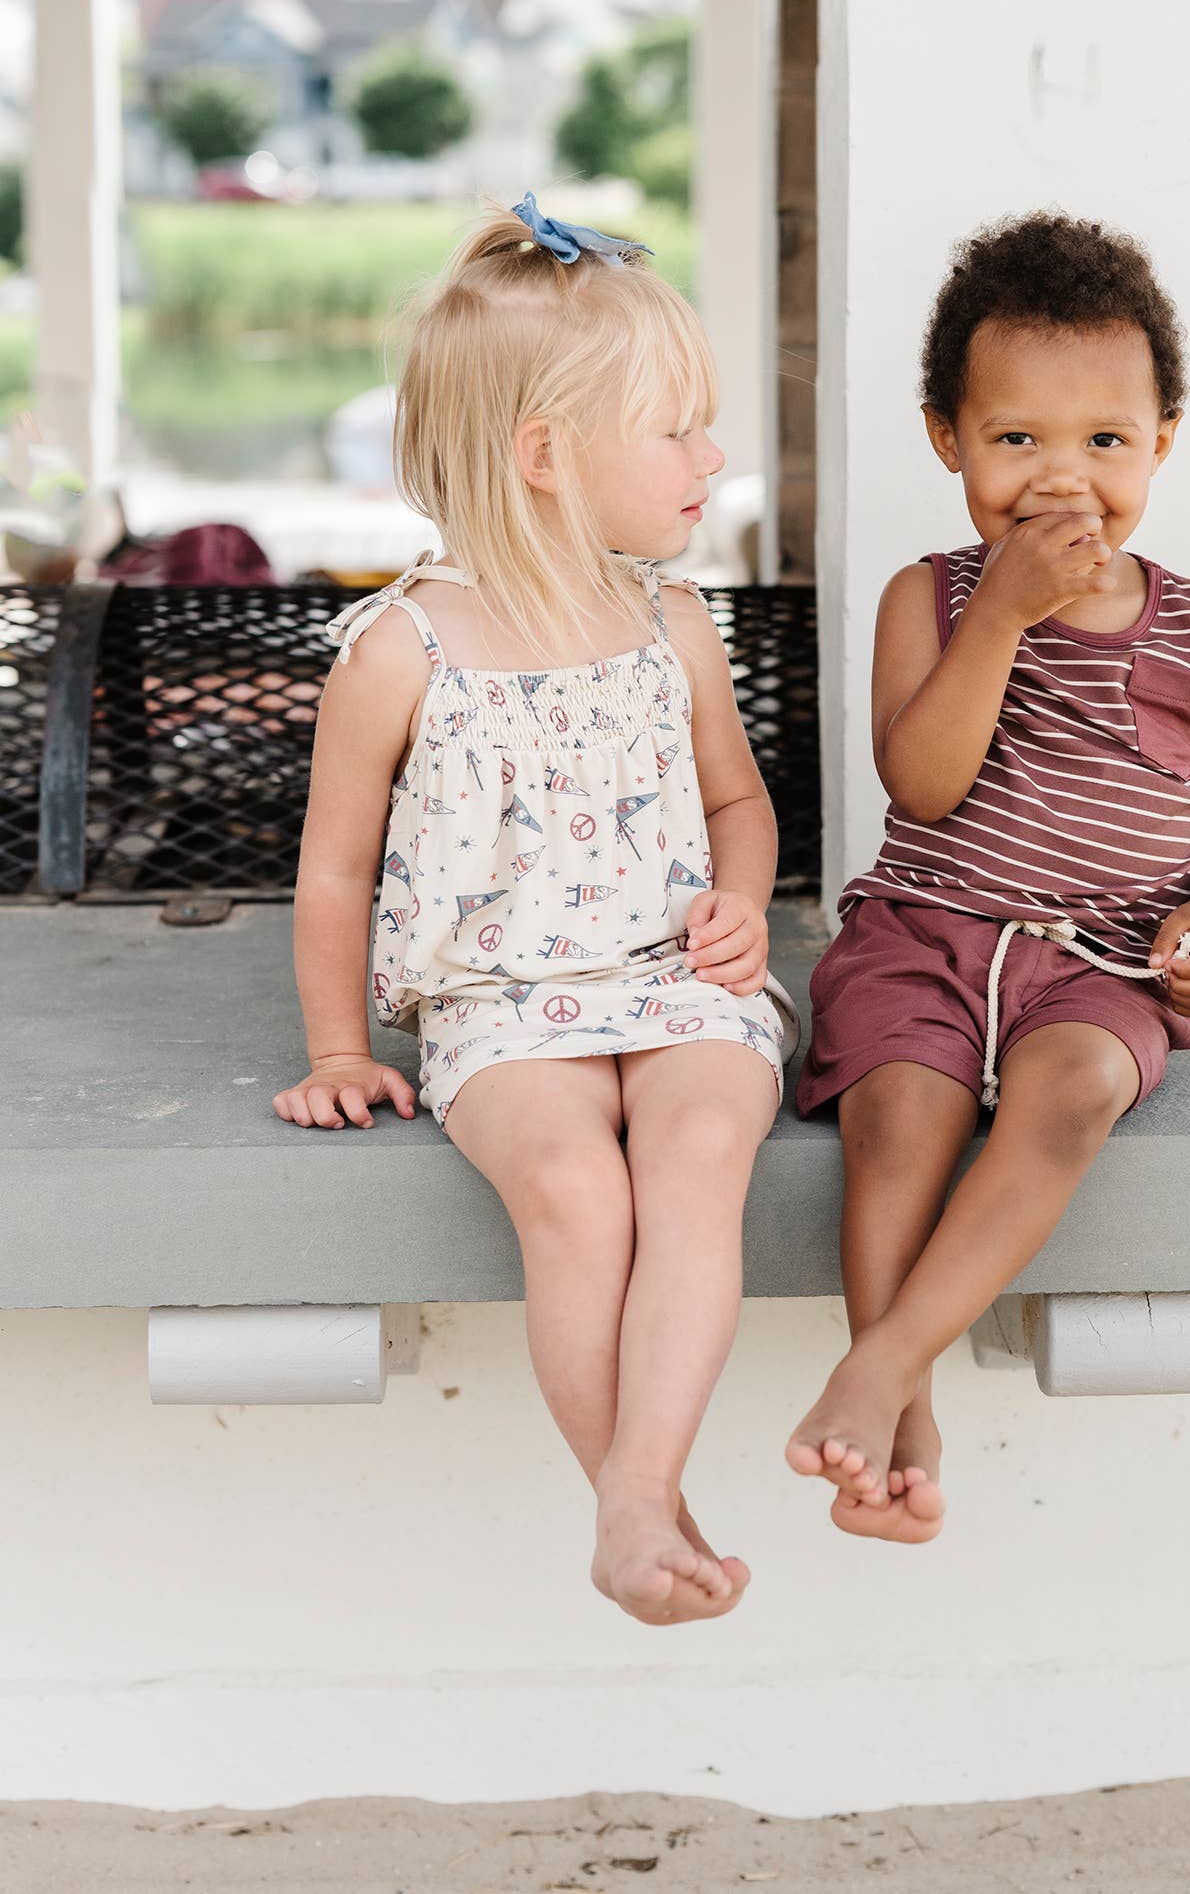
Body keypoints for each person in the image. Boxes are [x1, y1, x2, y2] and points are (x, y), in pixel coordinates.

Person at [275, 195, 793, 1626]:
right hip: (498, 1003)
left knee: (696, 1147)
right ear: (545, 457)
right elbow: (333, 870)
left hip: (674, 979)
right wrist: (336, 1048)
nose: (714, 455)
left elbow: (737, 804)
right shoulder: (401, 648)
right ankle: (638, 1506)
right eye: (677, 427)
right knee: (573, 1190)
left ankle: (636, 1501)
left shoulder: (670, 621)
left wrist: (741, 908)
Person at [786, 213, 1190, 1543]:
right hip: (926, 934)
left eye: (1104, 441)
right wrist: (1004, 615)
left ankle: (883, 1365)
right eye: (1015, 440)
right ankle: (901, 1415)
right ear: (946, 436)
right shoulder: (935, 599)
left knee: (1071, 1097)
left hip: (1104, 959)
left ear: (1161, 440)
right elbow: (925, 786)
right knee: (900, 1113)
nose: (1059, 477)